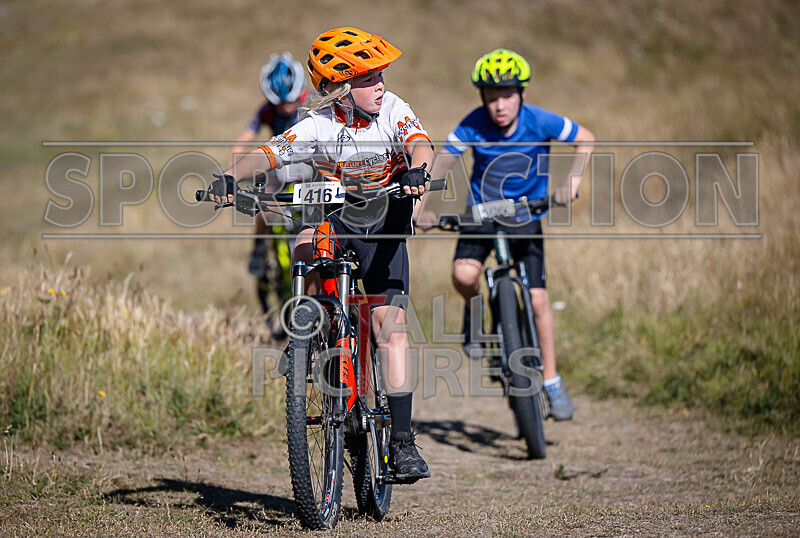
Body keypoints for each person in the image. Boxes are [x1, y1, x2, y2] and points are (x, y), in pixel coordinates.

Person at [209, 27, 433, 482]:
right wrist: (230, 176)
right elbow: (269, 153)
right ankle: (307, 332)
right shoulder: (317, 124)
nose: (380, 85)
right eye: (368, 79)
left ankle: (404, 443)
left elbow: (420, 143)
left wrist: (417, 169)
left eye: (380, 75)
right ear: (342, 88)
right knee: (304, 241)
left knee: (391, 327)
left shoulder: (393, 109)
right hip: (337, 219)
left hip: (384, 223)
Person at [424, 48, 595, 421]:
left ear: (521, 94)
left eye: (507, 95)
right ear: (482, 98)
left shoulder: (540, 120)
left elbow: (586, 139)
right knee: (463, 276)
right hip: (482, 215)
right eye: (491, 97)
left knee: (537, 301)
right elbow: (443, 161)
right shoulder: (472, 124)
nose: (499, 105)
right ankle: (475, 310)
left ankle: (551, 380)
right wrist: (425, 206)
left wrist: (572, 181)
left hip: (526, 215)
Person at [227, 52, 309, 295]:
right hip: (280, 168)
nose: (286, 108)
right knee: (266, 198)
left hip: (310, 168)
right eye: (280, 104)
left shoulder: (313, 103)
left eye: (291, 102)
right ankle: (259, 248)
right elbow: (242, 141)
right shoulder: (267, 111)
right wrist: (233, 174)